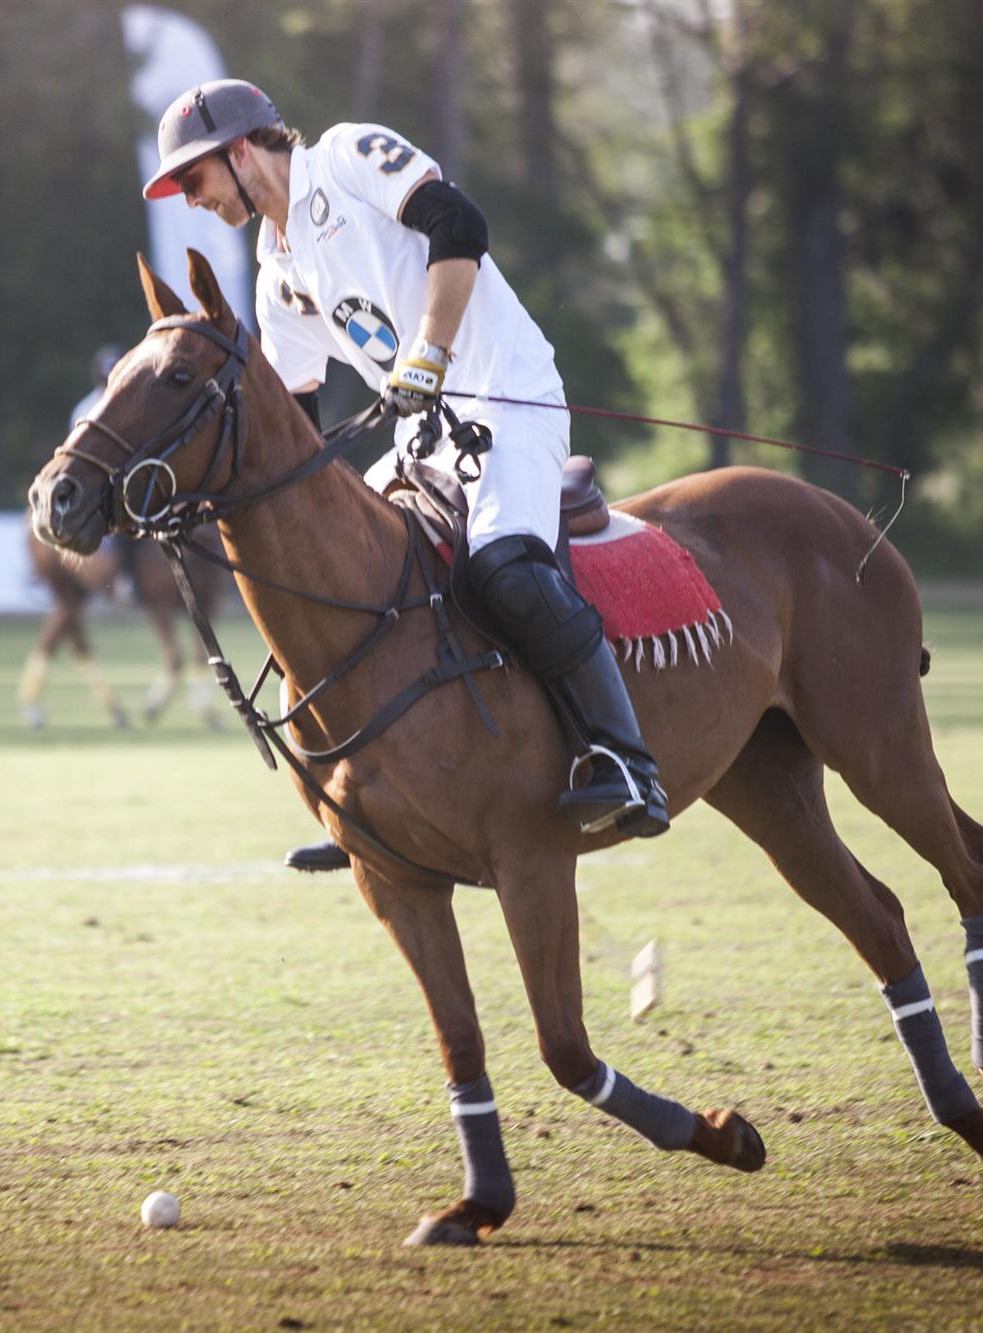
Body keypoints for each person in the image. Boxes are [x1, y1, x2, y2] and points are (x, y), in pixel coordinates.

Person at [142, 78, 669, 872]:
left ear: (241, 150)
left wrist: (429, 348)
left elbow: (458, 223)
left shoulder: (349, 156)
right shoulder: (275, 269)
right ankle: (359, 793)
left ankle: (627, 759)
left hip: (508, 395)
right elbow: (296, 422)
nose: (191, 199)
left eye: (194, 178)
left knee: (506, 569)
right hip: (425, 435)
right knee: (344, 583)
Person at [71, 343, 143, 604]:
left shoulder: (132, 403)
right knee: (124, 523)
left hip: (127, 478)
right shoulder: (85, 408)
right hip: (95, 484)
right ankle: (126, 577)